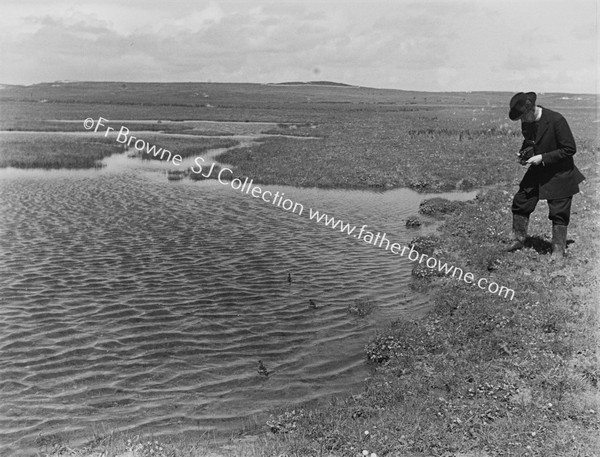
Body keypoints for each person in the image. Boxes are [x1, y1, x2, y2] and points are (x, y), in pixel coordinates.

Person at [507, 92, 585, 257]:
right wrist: (525, 154)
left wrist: (542, 157)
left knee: (559, 212)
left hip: (560, 172)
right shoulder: (528, 123)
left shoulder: (556, 120)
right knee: (521, 201)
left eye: (522, 117)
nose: (522, 121)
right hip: (539, 170)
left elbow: (569, 149)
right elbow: (529, 141)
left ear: (531, 110)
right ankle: (518, 239)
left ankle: (557, 251)